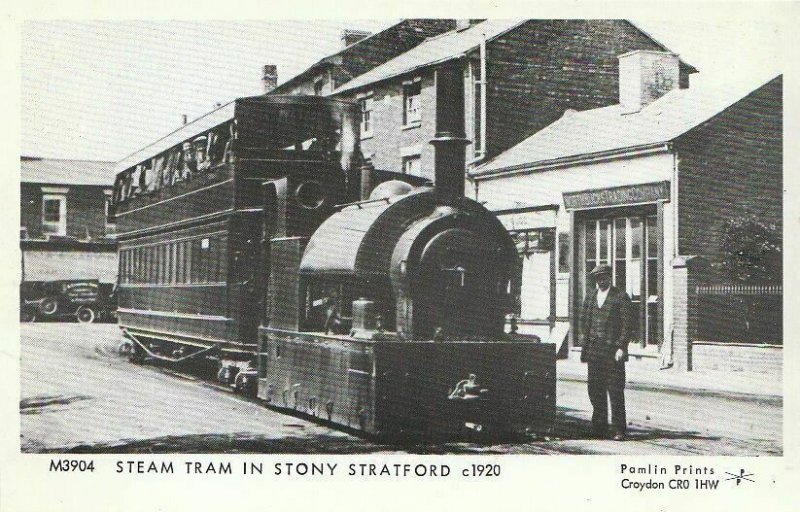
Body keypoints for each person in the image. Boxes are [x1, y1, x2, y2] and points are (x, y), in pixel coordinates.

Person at [580, 264, 632, 441]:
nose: (601, 281)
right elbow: (584, 322)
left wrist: (621, 347)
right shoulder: (590, 297)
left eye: (604, 277)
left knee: (615, 390)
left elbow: (627, 326)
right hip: (594, 351)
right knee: (595, 390)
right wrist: (585, 345)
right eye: (598, 278)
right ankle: (599, 427)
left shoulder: (620, 297)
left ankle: (619, 429)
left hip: (612, 351)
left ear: (610, 277)